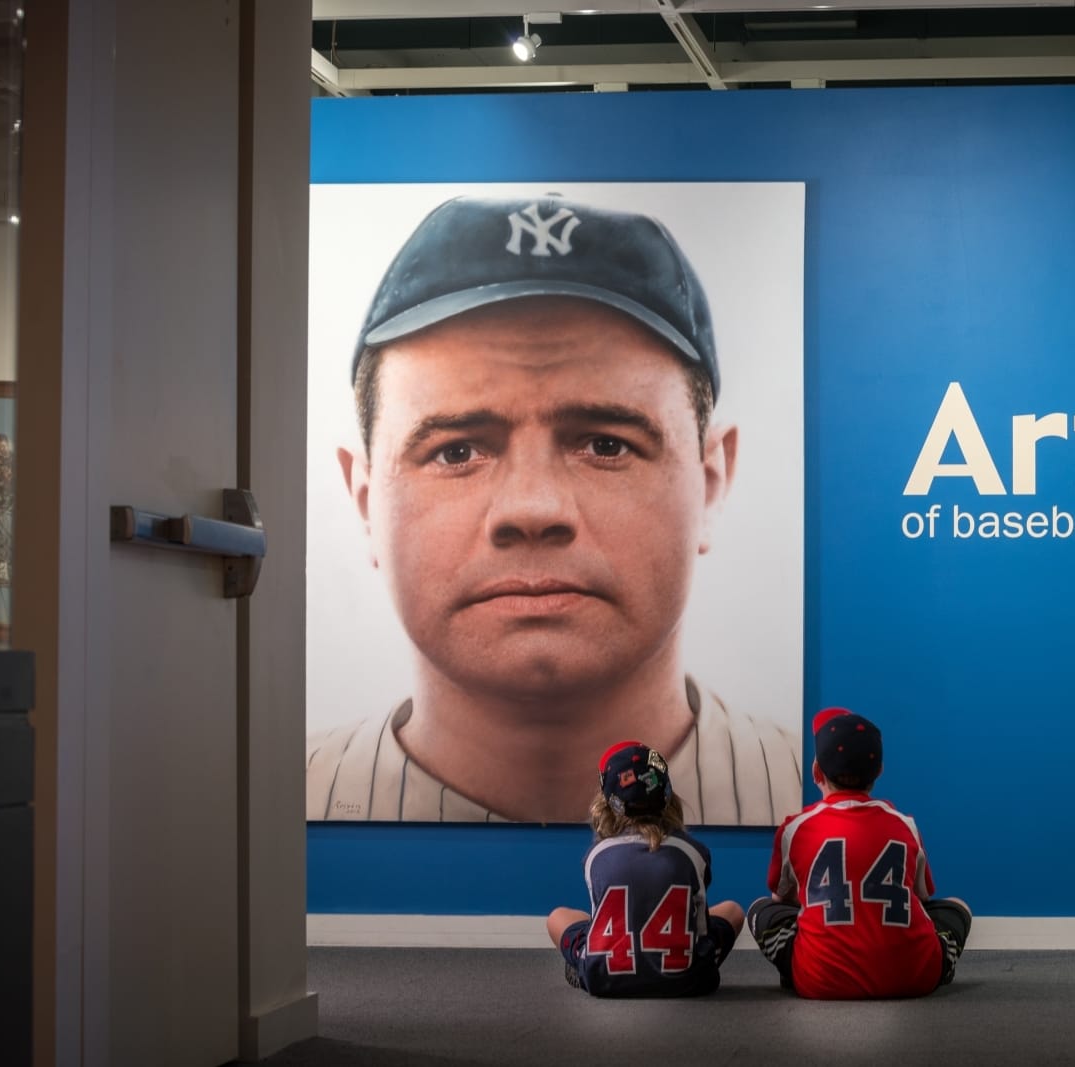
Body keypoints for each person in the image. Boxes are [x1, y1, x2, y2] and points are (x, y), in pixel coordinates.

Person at [305, 194, 801, 826]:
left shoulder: (808, 807)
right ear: (365, 498)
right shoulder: (246, 810)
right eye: (456, 450)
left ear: (710, 482)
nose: (532, 509)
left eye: (605, 444)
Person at [748, 707, 973, 998]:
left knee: (760, 908)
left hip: (820, 982)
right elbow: (921, 896)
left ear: (816, 771)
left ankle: (796, 969)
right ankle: (936, 964)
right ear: (879, 771)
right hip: (915, 978)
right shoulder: (905, 824)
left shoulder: (795, 829)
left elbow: (782, 897)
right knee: (958, 905)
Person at [546, 741, 744, 997]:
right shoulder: (693, 852)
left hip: (604, 978)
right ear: (668, 796)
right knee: (733, 911)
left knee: (558, 917)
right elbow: (700, 924)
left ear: (607, 803)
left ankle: (583, 966)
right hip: (690, 981)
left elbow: (600, 921)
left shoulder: (597, 855)